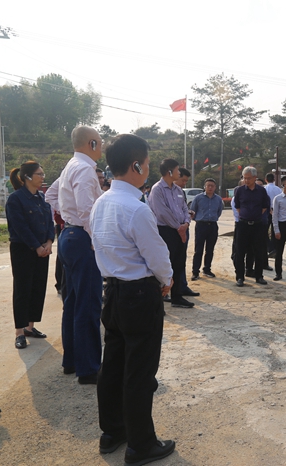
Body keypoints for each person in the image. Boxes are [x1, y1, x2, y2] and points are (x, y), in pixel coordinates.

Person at [90, 133, 176, 465]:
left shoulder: (100, 203)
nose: (148, 169)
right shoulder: (136, 209)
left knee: (113, 364)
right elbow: (156, 256)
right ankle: (141, 445)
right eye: (147, 164)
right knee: (139, 371)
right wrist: (166, 280)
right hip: (139, 295)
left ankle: (113, 431)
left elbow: (99, 246)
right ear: (136, 166)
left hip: (113, 292)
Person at [58, 125, 104, 384]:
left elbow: (52, 196)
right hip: (82, 238)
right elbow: (87, 211)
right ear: (92, 144)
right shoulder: (85, 169)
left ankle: (72, 361)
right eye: (100, 142)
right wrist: (97, 242)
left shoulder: (70, 166)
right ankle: (88, 368)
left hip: (69, 234)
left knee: (74, 303)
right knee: (88, 305)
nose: (102, 147)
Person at [5, 162, 54, 349]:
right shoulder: (15, 199)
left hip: (43, 249)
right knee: (23, 289)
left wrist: (49, 242)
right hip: (23, 250)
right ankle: (19, 332)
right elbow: (20, 227)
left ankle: (30, 327)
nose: (42, 177)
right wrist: (36, 247)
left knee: (37, 287)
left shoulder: (41, 197)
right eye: (39, 174)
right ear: (27, 177)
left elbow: (49, 222)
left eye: (43, 173)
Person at [149, 159, 194, 308]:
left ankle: (177, 297)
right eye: (177, 170)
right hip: (166, 231)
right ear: (169, 172)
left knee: (178, 263)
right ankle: (159, 299)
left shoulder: (178, 190)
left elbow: (184, 209)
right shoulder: (157, 190)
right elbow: (162, 213)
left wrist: (186, 223)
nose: (179, 173)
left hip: (180, 230)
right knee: (164, 264)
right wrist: (178, 227)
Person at [233, 166, 270, 287]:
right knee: (240, 251)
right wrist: (246, 215)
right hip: (243, 224)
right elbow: (238, 206)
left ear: (255, 178)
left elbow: (264, 206)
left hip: (257, 225)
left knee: (259, 251)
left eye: (248, 178)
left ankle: (259, 276)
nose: (246, 180)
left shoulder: (261, 191)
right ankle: (240, 277)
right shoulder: (239, 190)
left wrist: (255, 215)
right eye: (244, 178)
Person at [166, 167, 199, 301]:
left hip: (183, 229)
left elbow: (183, 209)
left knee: (181, 260)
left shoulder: (180, 192)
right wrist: (178, 225)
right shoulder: (162, 191)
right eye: (183, 180)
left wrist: (187, 218)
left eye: (186, 181)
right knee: (168, 261)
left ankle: (181, 286)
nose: (184, 183)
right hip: (170, 231)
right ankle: (166, 289)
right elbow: (165, 213)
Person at [190, 178, 223, 280]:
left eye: (212, 186)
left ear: (215, 187)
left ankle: (207, 269)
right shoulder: (198, 198)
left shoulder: (218, 199)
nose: (210, 187)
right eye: (208, 185)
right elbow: (192, 211)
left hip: (212, 226)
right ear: (204, 187)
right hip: (201, 226)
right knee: (198, 250)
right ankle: (195, 272)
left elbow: (219, 212)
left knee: (210, 249)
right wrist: (198, 219)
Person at [44, 177, 65, 295]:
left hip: (69, 225)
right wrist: (67, 211)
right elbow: (50, 196)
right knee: (63, 257)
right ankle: (60, 285)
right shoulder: (67, 176)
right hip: (66, 225)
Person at [264, 173, 282, 257]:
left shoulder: (264, 189)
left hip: (266, 210)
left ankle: (269, 247)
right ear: (274, 180)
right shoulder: (278, 189)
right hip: (277, 210)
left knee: (264, 230)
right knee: (275, 229)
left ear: (265, 180)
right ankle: (274, 248)